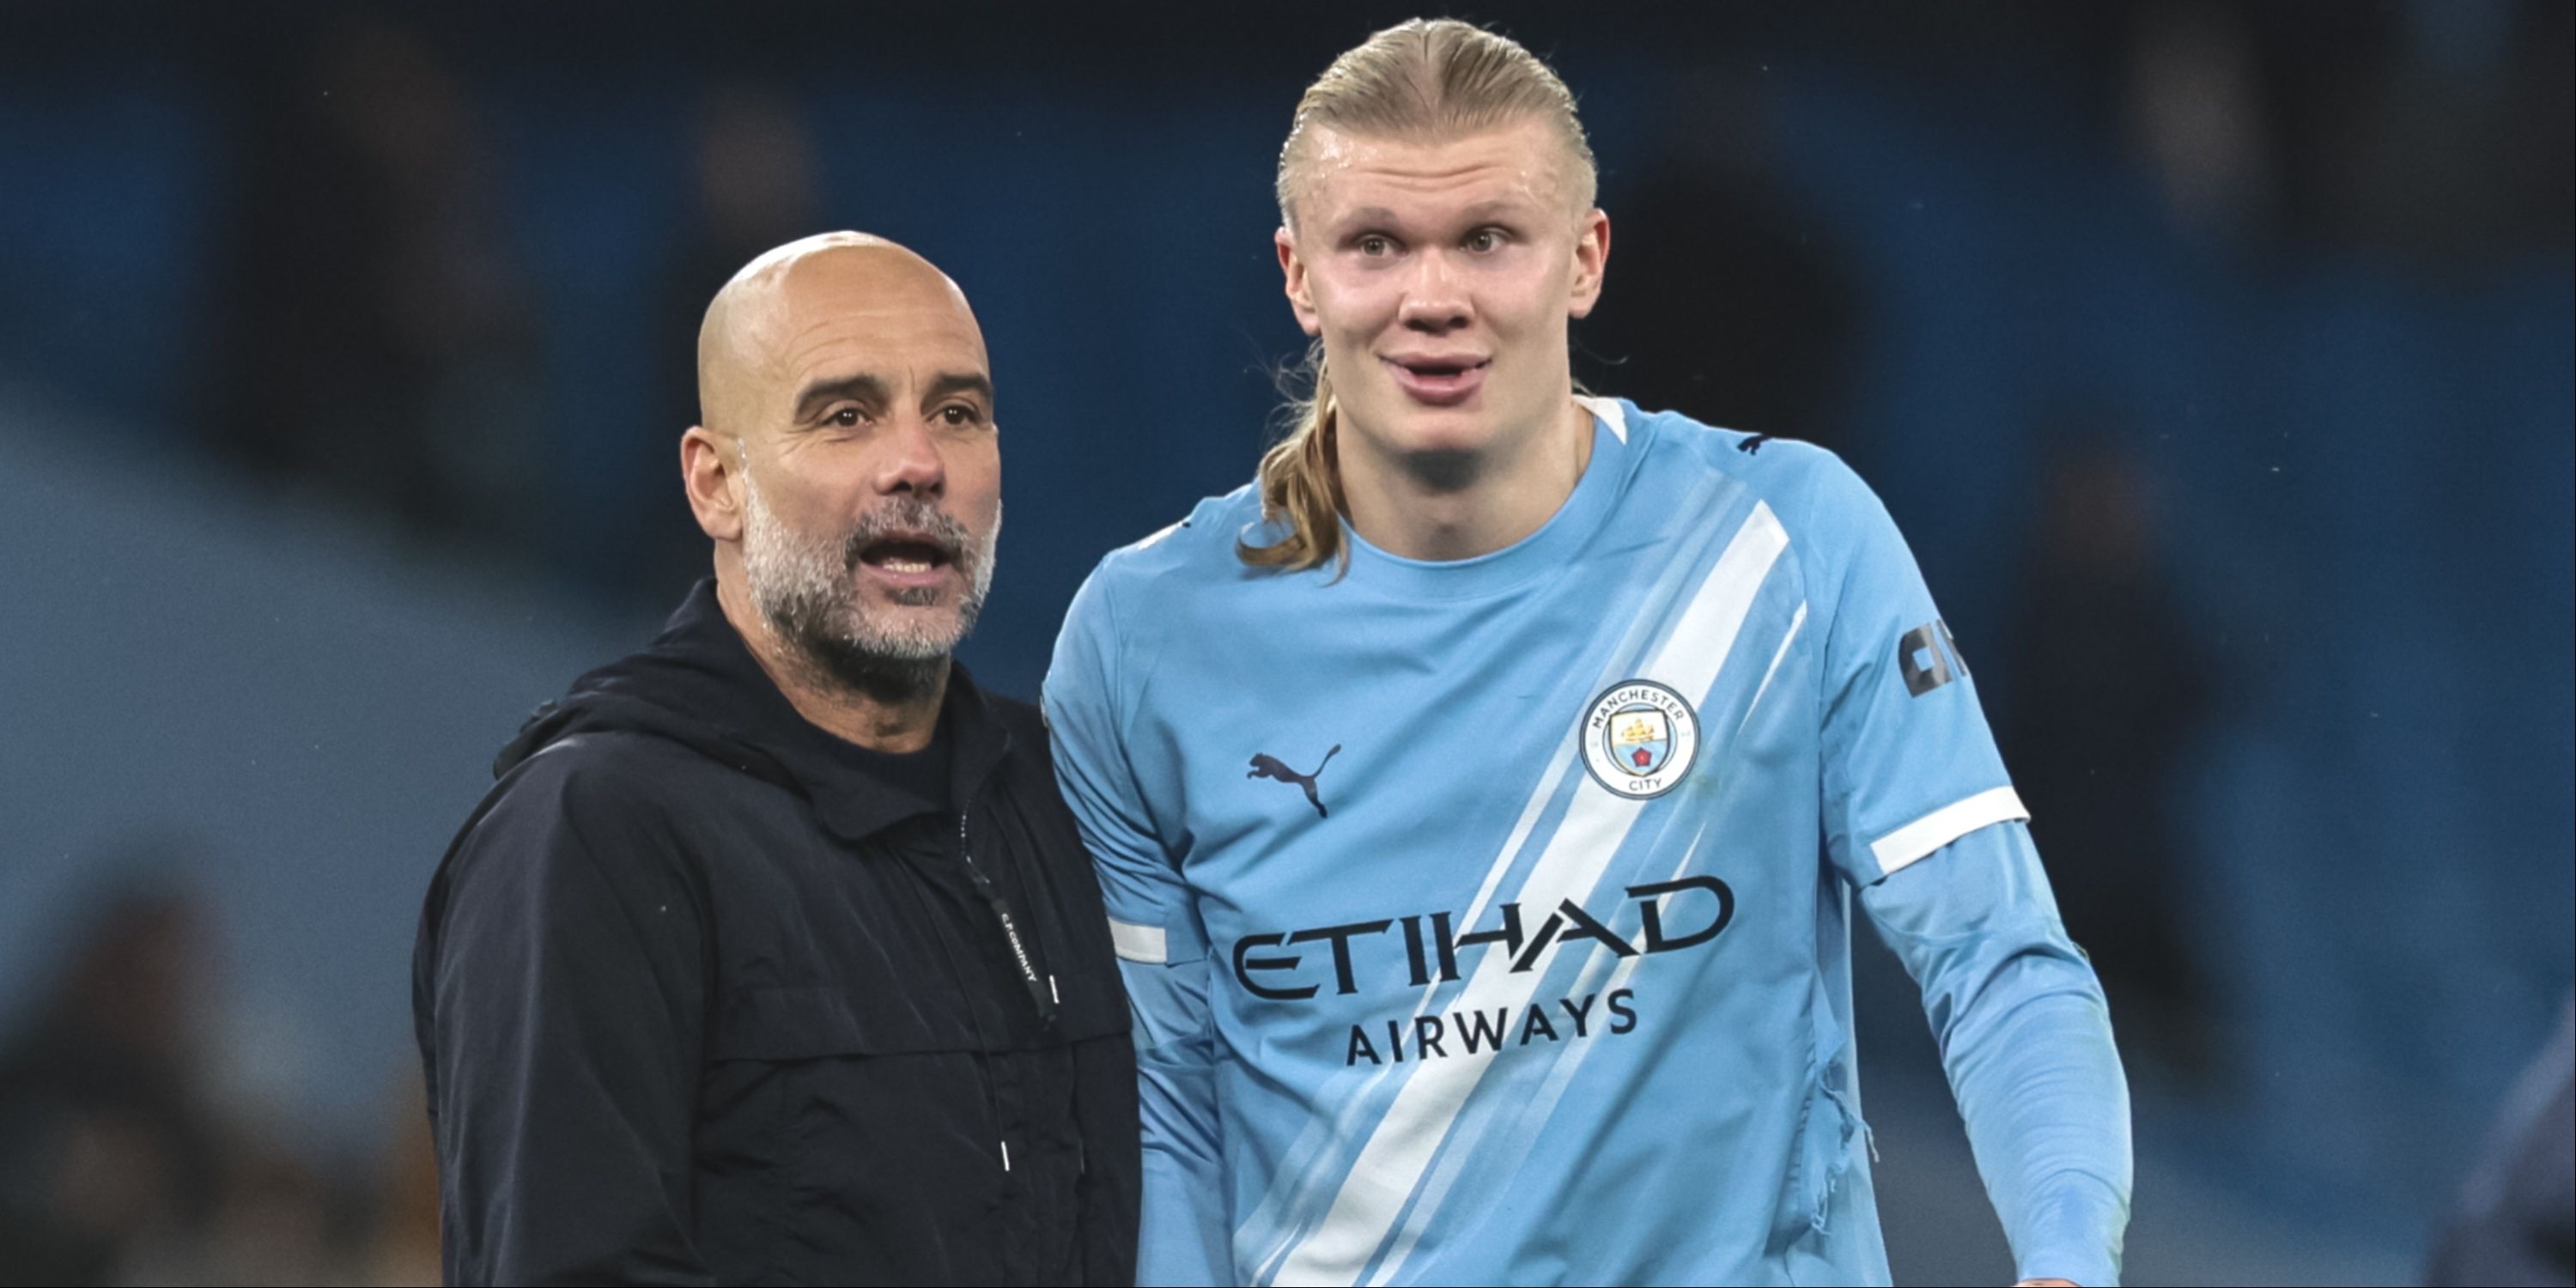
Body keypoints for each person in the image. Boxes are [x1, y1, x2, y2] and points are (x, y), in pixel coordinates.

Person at [1044, 20, 2129, 1287]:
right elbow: (1168, 1107)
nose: (1433, 296)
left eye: (1488, 239)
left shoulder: (1786, 543)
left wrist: (2065, 1253)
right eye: (1376, 243)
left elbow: (1996, 957)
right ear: (1299, 276)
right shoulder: (1144, 641)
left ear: (1586, 258)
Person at [413, 232, 1138, 1285]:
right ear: (716, 485)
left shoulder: (1071, 796)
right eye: (845, 416)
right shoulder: (595, 835)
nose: (917, 463)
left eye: (958, 412)